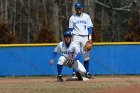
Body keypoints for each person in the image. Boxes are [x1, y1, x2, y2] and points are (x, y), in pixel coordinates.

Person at [68, 2, 93, 79]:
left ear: (81, 8)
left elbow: (90, 28)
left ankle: (87, 72)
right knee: (74, 54)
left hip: (85, 37)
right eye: (77, 8)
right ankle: (74, 72)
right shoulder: (72, 18)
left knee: (86, 55)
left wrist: (89, 39)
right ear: (75, 9)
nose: (78, 10)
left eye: (79, 8)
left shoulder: (86, 16)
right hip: (76, 37)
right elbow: (70, 29)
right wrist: (69, 39)